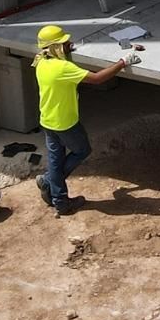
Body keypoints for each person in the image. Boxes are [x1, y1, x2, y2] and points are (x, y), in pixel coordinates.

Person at [33, 24, 135, 216]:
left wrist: (67, 50)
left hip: (47, 119)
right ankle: (50, 183)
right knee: (82, 150)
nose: (68, 44)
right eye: (64, 43)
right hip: (66, 122)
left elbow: (62, 62)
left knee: (56, 160)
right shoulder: (63, 68)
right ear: (55, 47)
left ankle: (59, 200)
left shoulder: (40, 61)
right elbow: (96, 79)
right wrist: (123, 62)